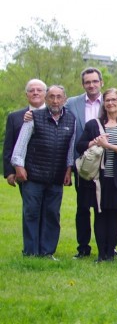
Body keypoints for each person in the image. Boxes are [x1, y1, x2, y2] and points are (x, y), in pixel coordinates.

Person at [11, 85, 74, 258]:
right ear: (46, 99)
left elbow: (70, 148)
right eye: (51, 96)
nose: (55, 100)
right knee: (31, 213)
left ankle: (47, 252)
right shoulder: (34, 117)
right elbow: (21, 144)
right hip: (33, 175)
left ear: (64, 99)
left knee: (52, 215)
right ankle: (31, 252)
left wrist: (69, 169)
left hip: (56, 177)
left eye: (59, 97)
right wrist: (18, 166)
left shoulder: (71, 119)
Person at [76, 88, 117, 262]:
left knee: (114, 214)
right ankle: (102, 253)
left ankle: (111, 252)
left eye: (114, 99)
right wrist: (94, 142)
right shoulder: (93, 124)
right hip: (97, 179)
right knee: (100, 214)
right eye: (107, 100)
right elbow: (79, 146)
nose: (111, 103)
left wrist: (108, 146)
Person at [65, 67, 104, 259]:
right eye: (88, 82)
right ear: (83, 84)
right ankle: (83, 247)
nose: (91, 85)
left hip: (105, 163)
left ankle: (106, 246)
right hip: (82, 163)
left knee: (103, 207)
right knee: (82, 208)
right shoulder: (72, 103)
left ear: (101, 83)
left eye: (95, 81)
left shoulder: (111, 101)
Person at [5, 79, 46, 188]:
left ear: (45, 94)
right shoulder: (14, 117)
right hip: (24, 172)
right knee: (30, 205)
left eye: (39, 90)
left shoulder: (56, 116)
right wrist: (9, 172)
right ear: (26, 94)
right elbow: (9, 146)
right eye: (31, 90)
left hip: (50, 172)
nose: (35, 92)